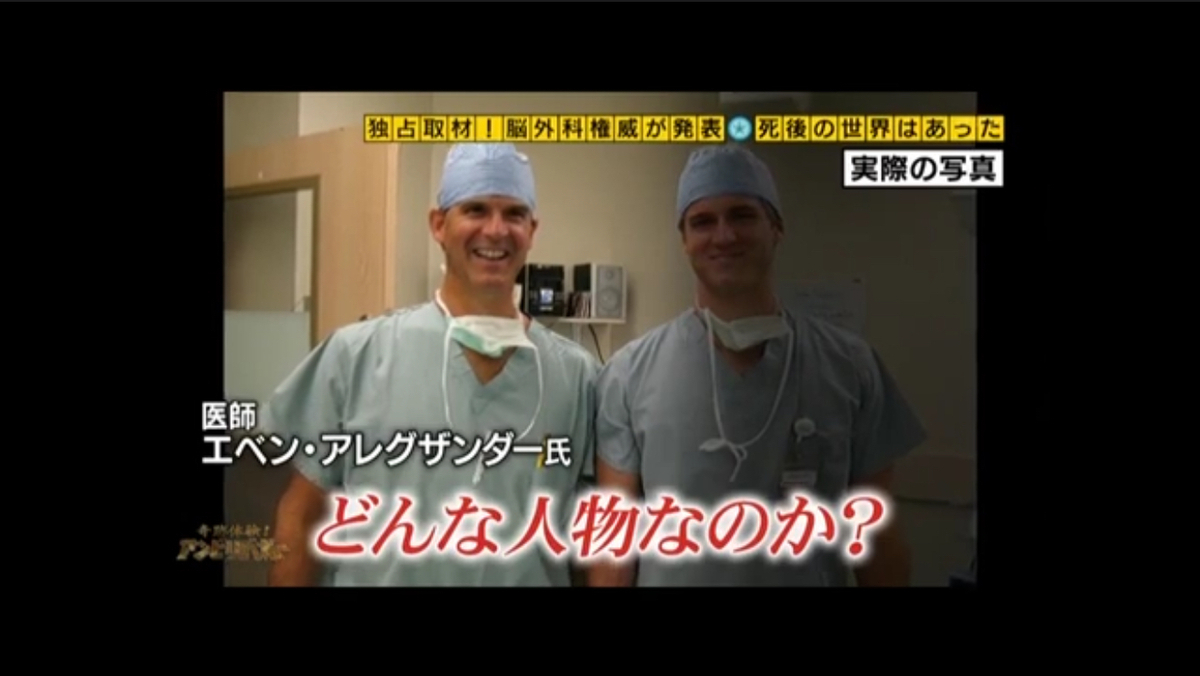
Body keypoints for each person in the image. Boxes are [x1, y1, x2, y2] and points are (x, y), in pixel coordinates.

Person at [589, 145, 926, 587]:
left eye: (742, 215)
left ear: (776, 228)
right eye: (702, 222)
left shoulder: (849, 367)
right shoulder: (629, 375)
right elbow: (612, 552)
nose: (724, 236)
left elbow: (878, 540)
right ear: (684, 240)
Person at [266, 143, 598, 586]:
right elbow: (304, 515)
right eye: (475, 210)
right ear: (439, 225)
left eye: (514, 214)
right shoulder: (356, 357)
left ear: (532, 230)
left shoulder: (576, 377)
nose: (496, 230)